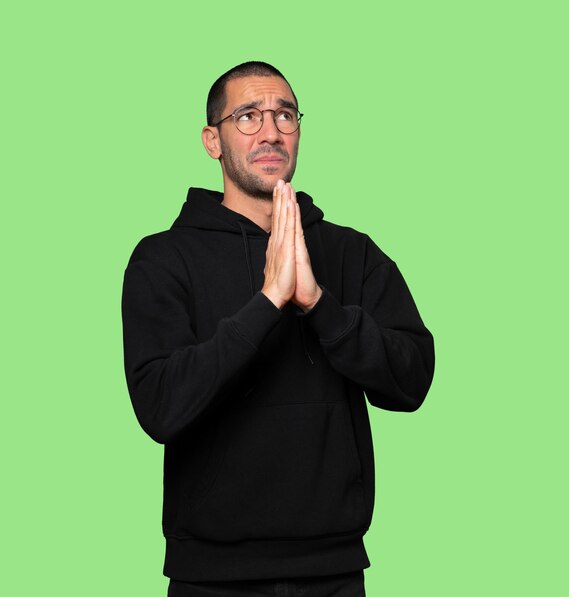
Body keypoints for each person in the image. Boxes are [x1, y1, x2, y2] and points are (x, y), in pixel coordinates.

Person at [121, 61, 435, 596]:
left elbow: (412, 381)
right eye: (247, 116)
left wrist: (318, 303)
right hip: (210, 578)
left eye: (285, 115)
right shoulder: (163, 259)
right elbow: (161, 407)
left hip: (334, 571)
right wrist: (268, 301)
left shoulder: (350, 252)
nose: (271, 131)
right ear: (211, 140)